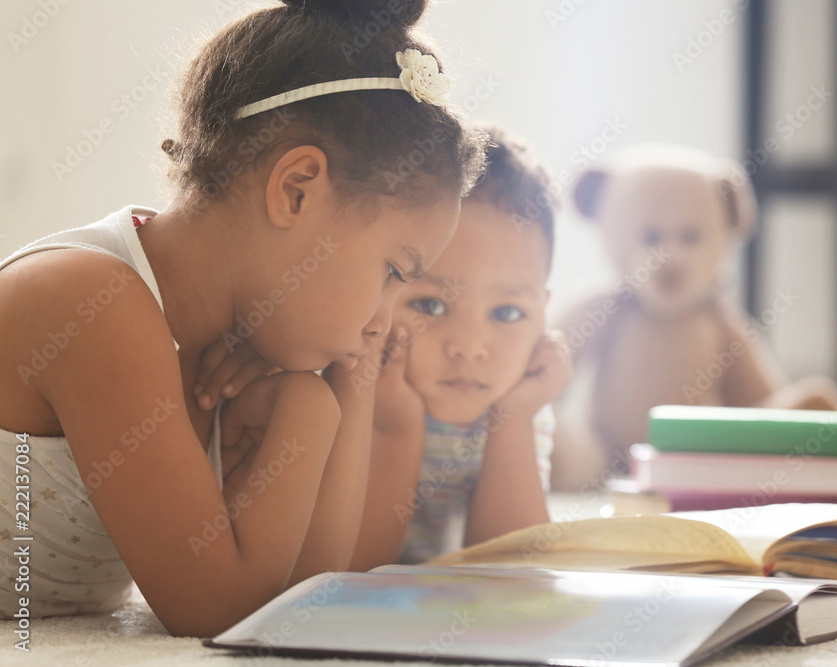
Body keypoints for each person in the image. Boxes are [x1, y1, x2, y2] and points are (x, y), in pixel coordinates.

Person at [0, 0, 485, 637]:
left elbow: (307, 599)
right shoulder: (93, 304)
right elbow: (216, 612)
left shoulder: (233, 344)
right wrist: (309, 416)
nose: (385, 323)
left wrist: (344, 386)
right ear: (297, 190)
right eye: (394, 272)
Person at [349, 124, 573, 569]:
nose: (469, 348)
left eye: (507, 313)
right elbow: (350, 571)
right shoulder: (349, 380)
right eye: (431, 305)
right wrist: (395, 426)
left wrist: (512, 421)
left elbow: (513, 571)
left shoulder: (517, 401)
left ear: (542, 316)